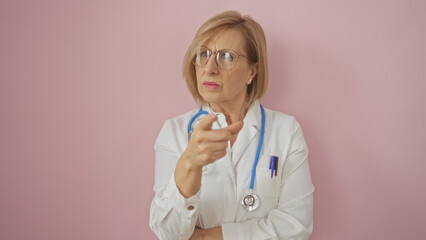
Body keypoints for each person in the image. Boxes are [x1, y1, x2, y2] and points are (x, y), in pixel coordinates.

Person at [149, 10, 314, 240]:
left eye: (226, 57)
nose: (209, 68)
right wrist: (190, 163)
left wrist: (209, 237)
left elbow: (297, 226)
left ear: (252, 71)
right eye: (203, 54)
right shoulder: (174, 133)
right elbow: (168, 232)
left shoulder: (286, 131)